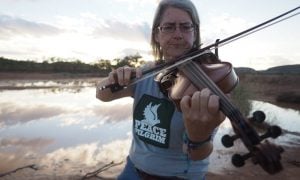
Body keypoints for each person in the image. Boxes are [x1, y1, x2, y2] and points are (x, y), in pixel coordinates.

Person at [96, 0, 225, 179]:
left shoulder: (208, 81)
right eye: (169, 27)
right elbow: (101, 95)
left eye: (186, 27)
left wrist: (199, 136)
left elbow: (198, 154)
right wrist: (115, 78)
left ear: (195, 33)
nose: (178, 34)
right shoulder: (145, 73)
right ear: (157, 34)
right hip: (133, 170)